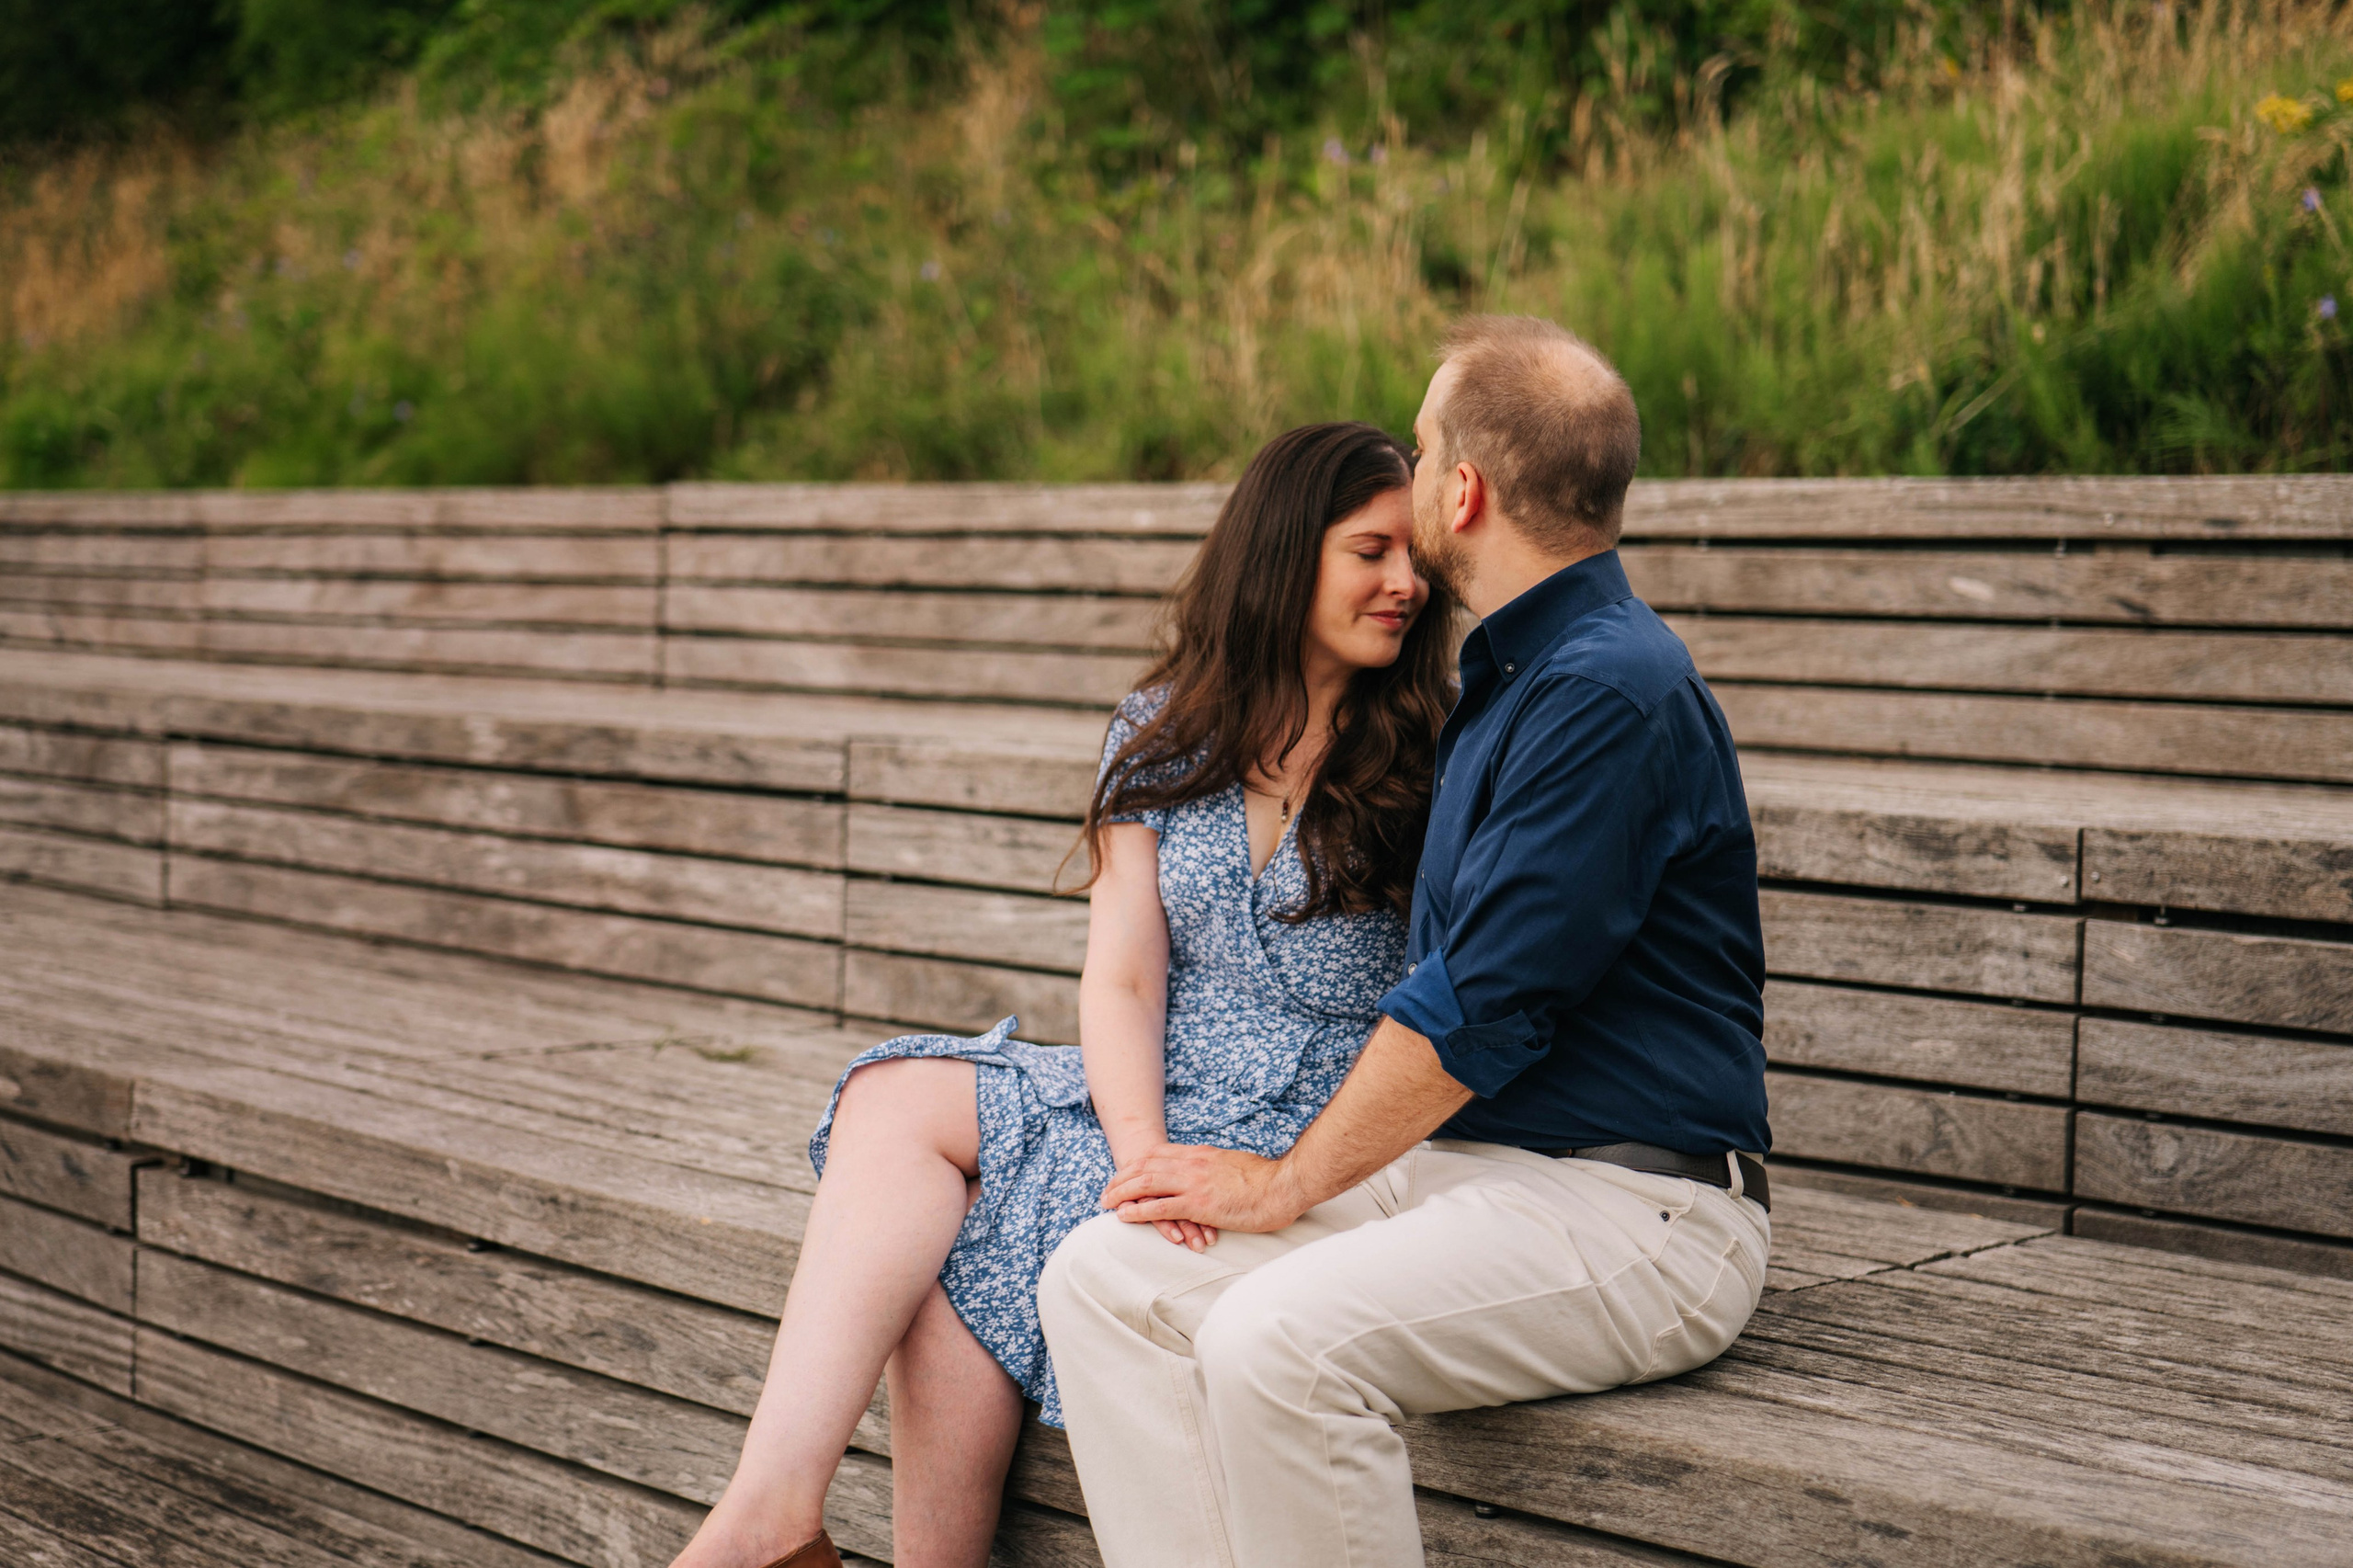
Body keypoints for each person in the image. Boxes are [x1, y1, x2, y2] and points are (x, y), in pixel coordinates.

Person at [1037, 315, 1774, 1568]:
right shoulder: (1508, 679)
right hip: (1475, 1174)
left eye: (1425, 451)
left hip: (1636, 1207)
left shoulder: (1604, 688)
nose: (1416, 477)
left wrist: (1277, 1182)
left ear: (1465, 489)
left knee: (1277, 1344)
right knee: (1104, 1281)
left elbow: (1478, 1005)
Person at [665, 422, 1453, 1568]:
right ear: (1285, 554)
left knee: (963, 1248)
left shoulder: (1431, 748)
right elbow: (1126, 972)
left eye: (1414, 557)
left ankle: (775, 1536)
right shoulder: (1163, 729)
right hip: (1159, 1096)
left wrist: (1194, 1167)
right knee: (894, 1095)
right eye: (1371, 550)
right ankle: (767, 1518)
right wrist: (1140, 1155)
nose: (1406, 583)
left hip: (1316, 1128)